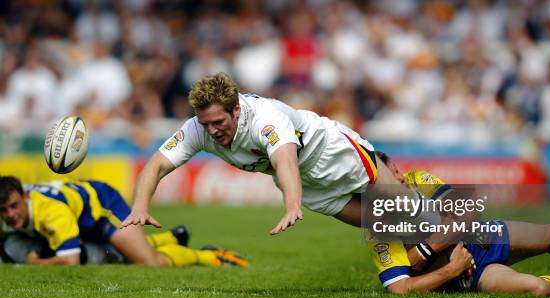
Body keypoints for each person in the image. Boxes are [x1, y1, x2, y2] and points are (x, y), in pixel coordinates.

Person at [120, 72, 455, 272]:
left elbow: (285, 161)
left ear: (236, 109)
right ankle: (454, 267)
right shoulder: (198, 128)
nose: (212, 132)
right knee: (382, 221)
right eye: (205, 124)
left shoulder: (265, 118)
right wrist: (140, 206)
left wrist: (291, 205)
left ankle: (472, 230)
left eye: (219, 122)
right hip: (310, 185)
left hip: (330, 151)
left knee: (411, 215)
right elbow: (157, 164)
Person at [367, 153, 550, 295]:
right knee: (538, 289)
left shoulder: (418, 179)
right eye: (392, 176)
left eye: (396, 170)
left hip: (483, 238)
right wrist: (451, 270)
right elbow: (400, 288)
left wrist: (423, 251)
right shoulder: (377, 226)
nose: (401, 178)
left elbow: (467, 215)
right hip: (467, 275)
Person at [0, 176, 248, 267]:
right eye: (4, 211)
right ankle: (172, 238)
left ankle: (211, 256)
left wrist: (34, 262)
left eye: (14, 206)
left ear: (24, 197)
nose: (10, 215)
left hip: (103, 208)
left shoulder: (52, 214)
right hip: (78, 212)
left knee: (146, 262)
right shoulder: (18, 206)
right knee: (120, 253)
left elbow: (71, 261)